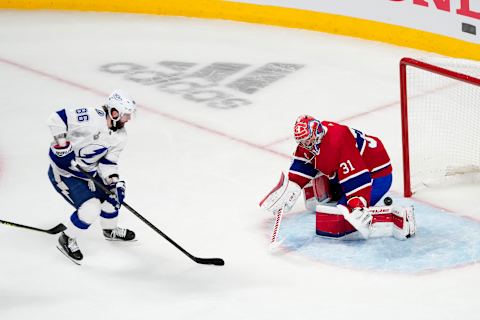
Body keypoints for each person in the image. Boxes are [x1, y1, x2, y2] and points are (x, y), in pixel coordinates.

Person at [260, 115, 415, 240]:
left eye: (307, 140)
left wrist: (356, 203)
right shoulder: (312, 140)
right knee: (323, 175)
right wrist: (292, 187)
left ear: (317, 133)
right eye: (301, 141)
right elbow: (303, 163)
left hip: (376, 174)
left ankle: (396, 219)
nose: (304, 144)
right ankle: (333, 193)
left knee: (345, 212)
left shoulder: (338, 140)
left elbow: (357, 177)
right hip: (345, 169)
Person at [47, 90, 136, 264]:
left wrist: (113, 182)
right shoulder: (91, 117)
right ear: (114, 112)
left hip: (89, 174)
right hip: (65, 174)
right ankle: (66, 239)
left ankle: (110, 231)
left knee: (114, 196)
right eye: (126, 115)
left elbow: (108, 162)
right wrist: (62, 145)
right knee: (91, 209)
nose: (129, 119)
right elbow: (56, 118)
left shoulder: (120, 136)